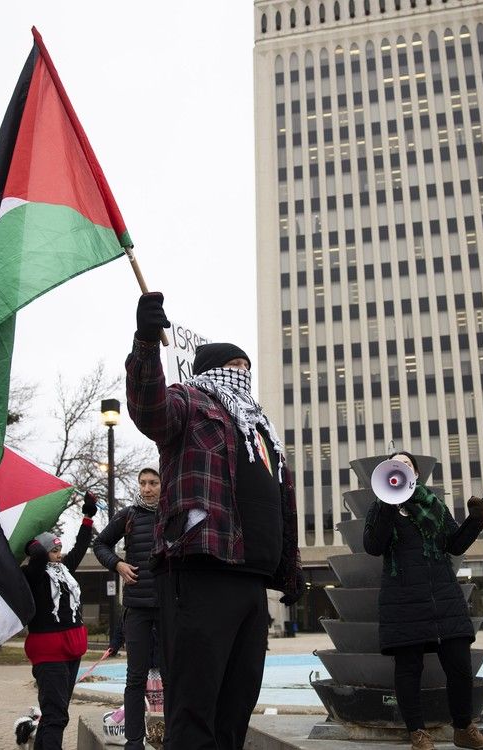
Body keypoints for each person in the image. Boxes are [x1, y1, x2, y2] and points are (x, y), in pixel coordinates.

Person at [125, 292, 305, 750]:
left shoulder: (259, 428)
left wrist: (289, 567)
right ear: (216, 369)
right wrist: (147, 343)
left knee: (236, 708)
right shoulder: (191, 401)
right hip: (202, 572)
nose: (244, 376)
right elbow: (150, 410)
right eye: (236, 367)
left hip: (252, 580)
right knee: (195, 709)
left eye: (248, 368)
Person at [363, 451, 483, 750]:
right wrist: (388, 505)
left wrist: (475, 521)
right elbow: (374, 546)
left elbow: (455, 544)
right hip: (404, 600)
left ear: (416, 473)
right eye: (396, 464)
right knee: (408, 669)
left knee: (460, 666)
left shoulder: (434, 506)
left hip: (443, 598)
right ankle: (418, 733)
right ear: (389, 471)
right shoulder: (380, 507)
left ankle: (464, 728)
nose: (402, 467)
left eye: (408, 464)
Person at [93, 460, 165, 750]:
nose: (147, 489)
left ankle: (171, 737)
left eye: (153, 483)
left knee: (172, 676)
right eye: (143, 483)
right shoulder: (128, 516)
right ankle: (134, 741)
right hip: (136, 608)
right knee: (135, 678)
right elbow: (100, 544)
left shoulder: (174, 512)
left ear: (163, 485)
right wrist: (118, 564)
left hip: (168, 609)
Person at [22, 493, 97, 749]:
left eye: (59, 549)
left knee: (57, 713)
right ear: (42, 551)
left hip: (71, 649)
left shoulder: (64, 571)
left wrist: (88, 515)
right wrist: (36, 546)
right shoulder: (33, 574)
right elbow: (38, 560)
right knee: (56, 715)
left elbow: (80, 547)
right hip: (49, 651)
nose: (58, 554)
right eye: (53, 550)